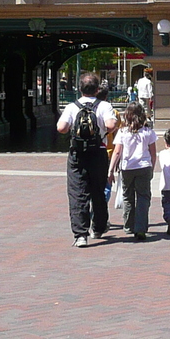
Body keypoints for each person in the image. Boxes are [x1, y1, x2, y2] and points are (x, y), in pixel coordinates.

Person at [57, 72, 117, 248]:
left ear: (79, 88)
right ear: (97, 89)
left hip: (77, 154)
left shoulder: (71, 106)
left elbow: (61, 127)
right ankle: (98, 227)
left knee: (77, 193)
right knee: (98, 191)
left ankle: (80, 235)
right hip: (98, 153)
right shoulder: (104, 105)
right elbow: (111, 125)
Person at [107, 100, 157, 241]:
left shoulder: (122, 132)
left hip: (127, 168)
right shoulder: (148, 132)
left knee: (128, 196)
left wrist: (110, 170)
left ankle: (129, 225)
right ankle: (140, 228)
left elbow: (117, 152)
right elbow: (153, 153)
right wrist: (152, 168)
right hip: (144, 167)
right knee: (143, 197)